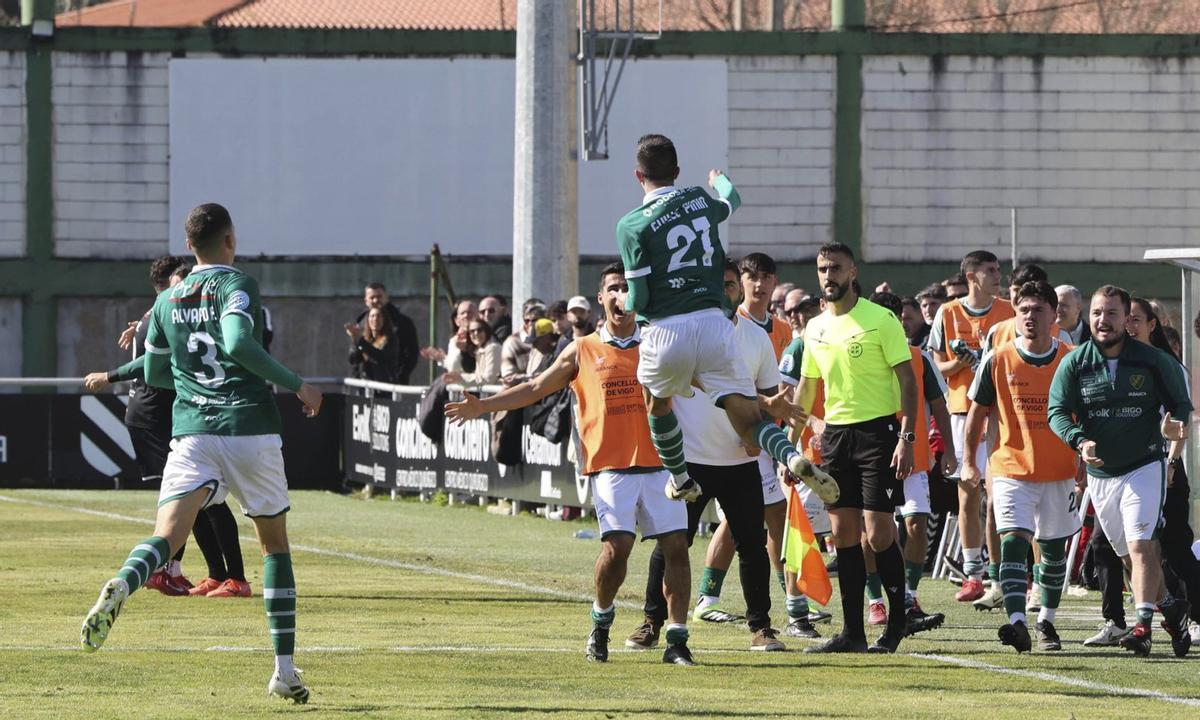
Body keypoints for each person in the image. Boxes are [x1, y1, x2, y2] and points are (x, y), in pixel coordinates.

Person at [80, 203, 324, 704]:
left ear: (189, 246)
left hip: (192, 431)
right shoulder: (238, 285)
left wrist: (193, 387)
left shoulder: (166, 301)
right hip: (249, 426)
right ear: (230, 240)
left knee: (166, 537)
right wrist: (299, 384)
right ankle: (284, 670)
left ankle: (124, 582)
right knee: (274, 546)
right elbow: (237, 343)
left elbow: (156, 372)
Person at [446, 263, 697, 665]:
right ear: (601, 298)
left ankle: (677, 640)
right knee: (618, 548)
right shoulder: (582, 349)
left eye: (627, 287)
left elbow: (706, 381)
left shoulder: (657, 342)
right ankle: (601, 620)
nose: (621, 295)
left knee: (677, 548)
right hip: (611, 466)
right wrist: (483, 406)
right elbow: (534, 387)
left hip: (661, 464)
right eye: (613, 288)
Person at [614, 133, 836, 508]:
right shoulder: (699, 200)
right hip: (715, 325)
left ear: (638, 175)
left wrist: (623, 299)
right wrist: (718, 180)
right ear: (677, 172)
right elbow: (733, 199)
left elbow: (641, 299)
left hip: (666, 330)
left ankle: (681, 480)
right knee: (748, 420)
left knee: (658, 404)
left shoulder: (631, 225)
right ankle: (791, 456)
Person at [634, 260, 797, 652]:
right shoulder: (685, 331)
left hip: (740, 461)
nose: (725, 292)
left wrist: (762, 434)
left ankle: (761, 627)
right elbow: (661, 395)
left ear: (738, 290)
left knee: (753, 545)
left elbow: (771, 400)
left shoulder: (756, 338)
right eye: (717, 284)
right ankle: (651, 621)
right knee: (672, 544)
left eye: (729, 285)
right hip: (689, 462)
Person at [82, 256, 250, 600]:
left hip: (169, 414)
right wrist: (111, 374)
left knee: (201, 498)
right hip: (161, 415)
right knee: (198, 497)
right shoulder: (170, 312)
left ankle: (213, 575)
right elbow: (153, 360)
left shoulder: (164, 312)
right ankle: (202, 574)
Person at [1048, 284, 1192, 658]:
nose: (1103, 320)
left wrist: (1173, 428)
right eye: (1097, 312)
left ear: (1127, 319)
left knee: (1142, 545)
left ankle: (1142, 626)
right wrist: (1079, 440)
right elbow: (1057, 412)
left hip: (1144, 466)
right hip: (1101, 475)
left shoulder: (1153, 360)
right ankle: (1172, 609)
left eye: (1112, 313)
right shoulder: (1075, 363)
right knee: (1128, 557)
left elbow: (1181, 405)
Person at [790, 242, 918, 654]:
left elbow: (908, 380)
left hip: (879, 434)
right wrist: (789, 448)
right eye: (823, 269)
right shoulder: (814, 328)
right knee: (843, 534)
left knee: (878, 533)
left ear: (852, 272)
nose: (828, 276)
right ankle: (853, 634)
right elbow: (807, 388)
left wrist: (906, 437)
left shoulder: (881, 319)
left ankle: (896, 624)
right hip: (836, 437)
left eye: (836, 268)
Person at [962, 281, 1081, 653]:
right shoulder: (997, 359)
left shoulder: (1072, 358)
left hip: (1059, 471)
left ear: (1053, 315)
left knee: (1053, 550)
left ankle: (1047, 620)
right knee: (1013, 541)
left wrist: (1084, 456)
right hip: (1011, 468)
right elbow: (976, 414)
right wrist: (968, 462)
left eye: (1038, 310)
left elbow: (1086, 412)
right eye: (1023, 309)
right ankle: (1017, 622)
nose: (1029, 316)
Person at [866, 291, 956, 636]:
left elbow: (940, 405)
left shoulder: (919, 357)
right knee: (873, 533)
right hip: (874, 459)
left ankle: (909, 596)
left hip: (914, 459)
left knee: (917, 524)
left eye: (898, 316)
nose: (895, 322)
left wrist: (949, 450)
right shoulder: (862, 355)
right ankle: (876, 599)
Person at [928, 250, 1014, 602]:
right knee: (968, 491)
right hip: (963, 411)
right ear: (971, 277)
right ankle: (973, 574)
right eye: (990, 270)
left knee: (998, 495)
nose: (997, 276)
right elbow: (937, 367)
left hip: (1000, 414)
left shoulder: (1009, 311)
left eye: (998, 269)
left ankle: (1002, 573)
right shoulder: (948, 312)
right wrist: (961, 363)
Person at [356, 283, 419, 384]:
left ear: (386, 297)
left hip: (391, 382)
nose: (376, 300)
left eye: (379, 296)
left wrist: (400, 376)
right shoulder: (361, 322)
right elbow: (355, 357)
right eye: (372, 297)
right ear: (366, 301)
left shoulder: (402, 322)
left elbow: (412, 353)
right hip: (365, 382)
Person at [347, 306, 401, 383]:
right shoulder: (364, 339)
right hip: (366, 385)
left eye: (379, 316)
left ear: (384, 319)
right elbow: (353, 359)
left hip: (384, 385)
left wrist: (360, 340)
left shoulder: (391, 339)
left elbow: (380, 356)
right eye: (372, 316)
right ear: (368, 320)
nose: (375, 319)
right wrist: (354, 340)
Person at [501, 300, 546, 385]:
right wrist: (529, 377)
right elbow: (508, 377)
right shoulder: (512, 342)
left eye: (535, 320)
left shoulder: (550, 339)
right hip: (523, 390)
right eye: (527, 320)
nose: (531, 324)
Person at [446, 319, 501, 389]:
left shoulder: (493, 348)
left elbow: (489, 379)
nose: (476, 333)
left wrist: (461, 378)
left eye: (479, 330)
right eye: (472, 331)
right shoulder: (478, 350)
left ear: (486, 331)